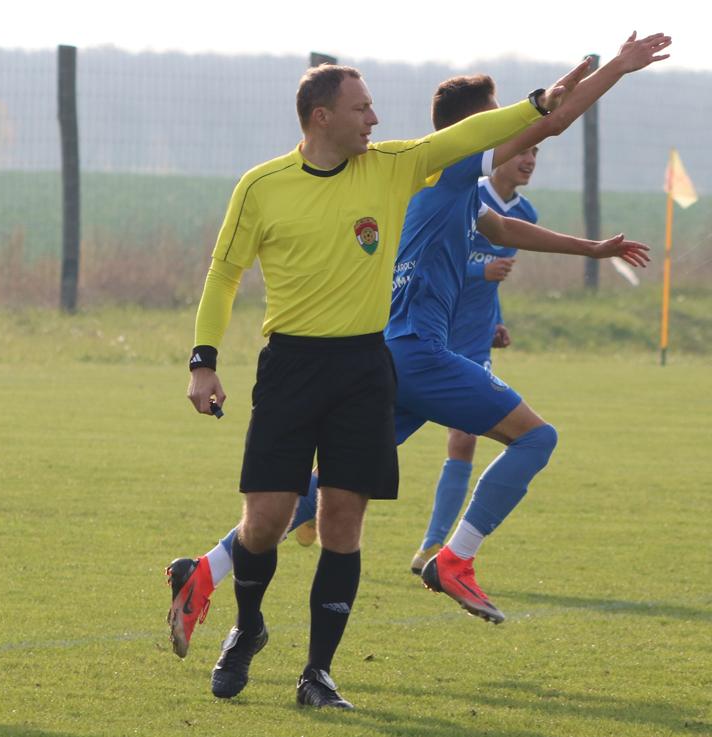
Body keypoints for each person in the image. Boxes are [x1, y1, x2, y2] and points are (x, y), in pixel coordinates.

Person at [181, 58, 590, 709]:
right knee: (269, 518)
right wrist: (203, 360)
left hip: (367, 367)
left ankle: (314, 669)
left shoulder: (397, 168)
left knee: (340, 519)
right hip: (301, 365)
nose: (374, 117)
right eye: (361, 107)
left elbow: (473, 147)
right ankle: (251, 623)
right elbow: (225, 274)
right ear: (322, 117)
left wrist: (540, 104)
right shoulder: (265, 185)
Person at [389, 33, 668, 625]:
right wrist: (619, 67)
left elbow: (503, 229)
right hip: (422, 350)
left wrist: (591, 249)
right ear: (471, 127)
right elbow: (554, 121)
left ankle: (210, 566)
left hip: (395, 350)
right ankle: (453, 559)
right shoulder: (454, 164)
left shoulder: (439, 180)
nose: (507, 128)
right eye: (493, 117)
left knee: (340, 475)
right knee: (537, 438)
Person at [409, 146, 538, 575]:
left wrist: (495, 321)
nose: (529, 160)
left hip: (474, 338)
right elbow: (432, 261)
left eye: (535, 152)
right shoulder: (465, 194)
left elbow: (493, 281)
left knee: (465, 436)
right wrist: (478, 272)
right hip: (431, 331)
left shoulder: (526, 214)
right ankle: (308, 502)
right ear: (498, 155)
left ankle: (433, 543)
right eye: (522, 151)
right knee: (374, 438)